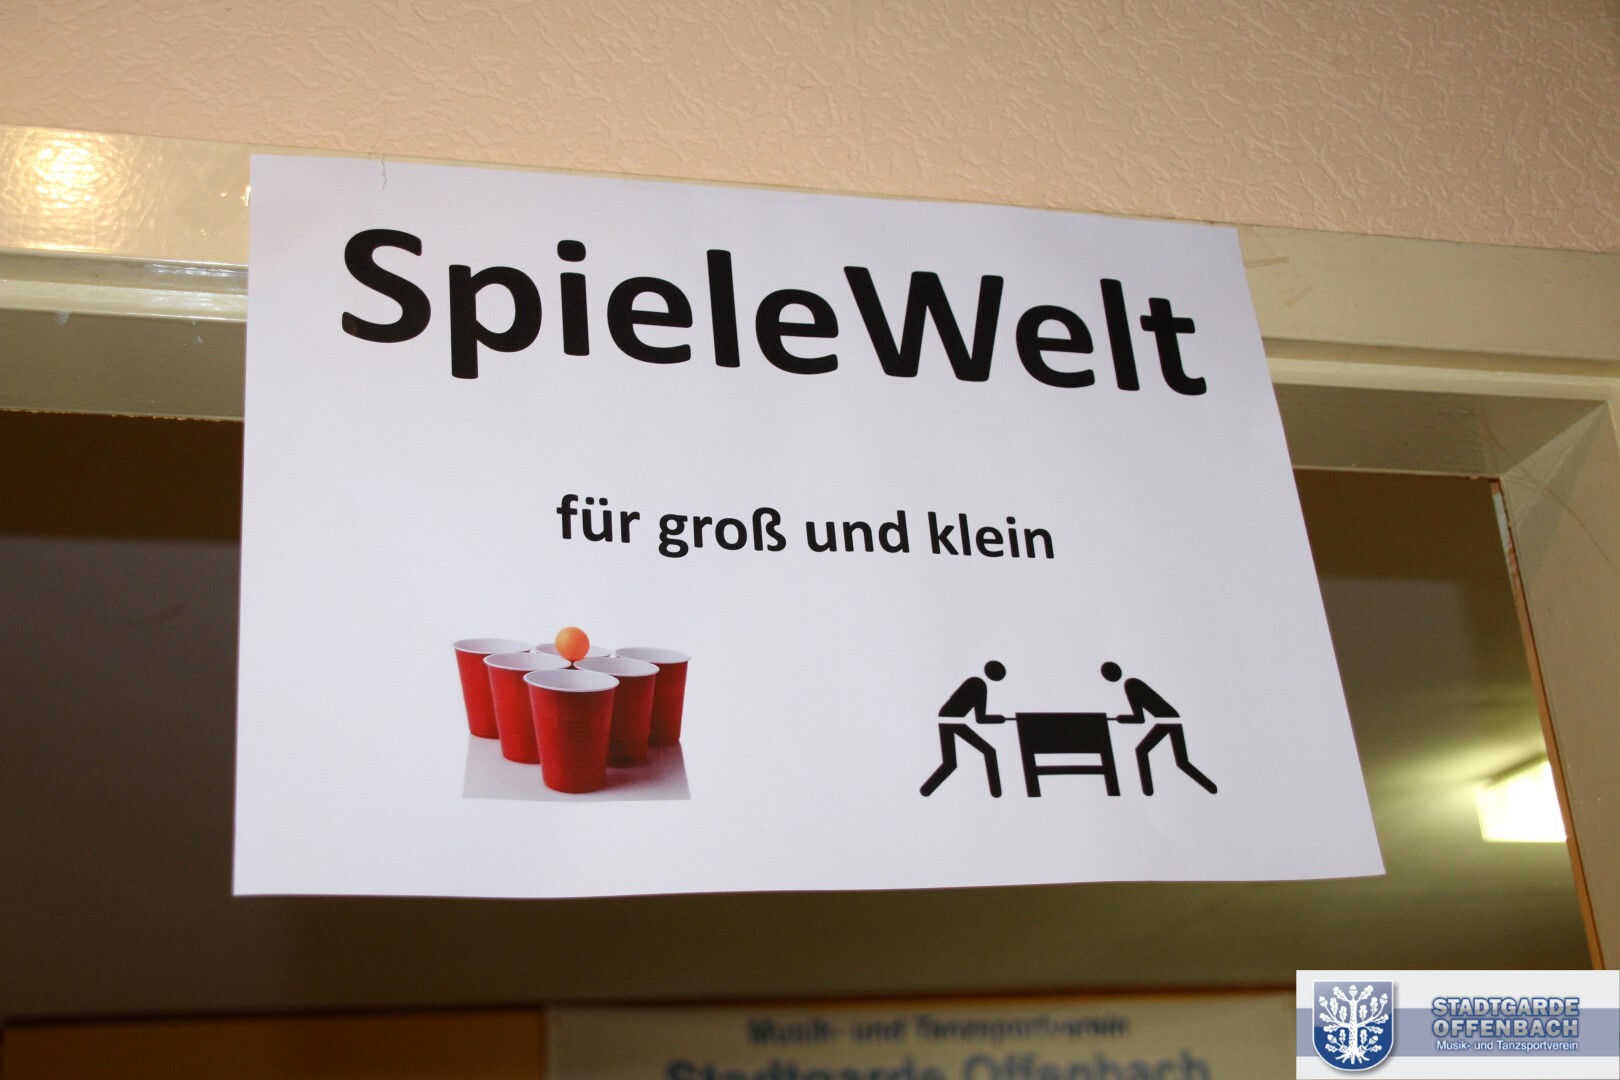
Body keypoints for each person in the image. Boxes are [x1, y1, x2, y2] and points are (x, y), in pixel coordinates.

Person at [1102, 661, 1217, 795]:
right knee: (1181, 762)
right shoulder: (1132, 683)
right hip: (1170, 719)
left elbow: (1139, 718)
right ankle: (1211, 787)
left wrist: (1121, 718)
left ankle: (1148, 790)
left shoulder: (1130, 685)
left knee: (1143, 751)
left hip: (1167, 720)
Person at [920, 661, 1007, 797]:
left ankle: (926, 790)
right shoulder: (979, 685)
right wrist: (1000, 719)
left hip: (948, 719)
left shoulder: (976, 682)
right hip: (952, 720)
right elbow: (981, 719)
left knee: (950, 763)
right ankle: (996, 792)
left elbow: (979, 718)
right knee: (989, 752)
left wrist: (1000, 719)